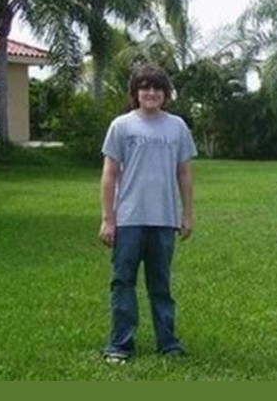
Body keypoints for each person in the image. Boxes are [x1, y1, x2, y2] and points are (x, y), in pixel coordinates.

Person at [98, 64, 197, 363]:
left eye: (157, 88)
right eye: (144, 87)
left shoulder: (177, 126)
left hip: (164, 220)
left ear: (165, 94)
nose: (151, 93)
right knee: (123, 282)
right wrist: (108, 218)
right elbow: (109, 174)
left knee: (161, 286)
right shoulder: (121, 126)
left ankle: (168, 343)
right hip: (128, 220)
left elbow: (184, 173)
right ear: (135, 93)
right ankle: (120, 344)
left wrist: (187, 214)